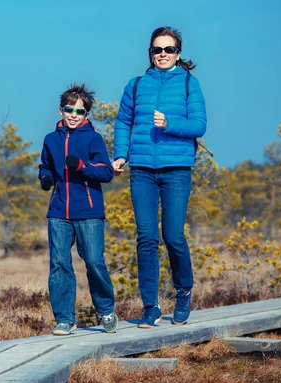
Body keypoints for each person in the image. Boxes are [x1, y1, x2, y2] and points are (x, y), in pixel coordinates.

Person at [112, 26, 207, 328]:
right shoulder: (136, 85)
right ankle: (150, 307)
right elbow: (122, 122)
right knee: (146, 238)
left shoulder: (190, 84)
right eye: (157, 50)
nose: (162, 54)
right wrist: (121, 154)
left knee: (173, 236)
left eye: (168, 50)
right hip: (141, 171)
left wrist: (170, 123)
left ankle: (183, 292)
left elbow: (199, 125)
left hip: (176, 170)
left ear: (178, 53)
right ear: (150, 53)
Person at [38, 83, 118, 336]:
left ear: (87, 115)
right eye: (68, 109)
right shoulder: (50, 140)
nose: (73, 115)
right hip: (59, 211)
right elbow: (45, 167)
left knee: (94, 261)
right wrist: (46, 178)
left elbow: (106, 172)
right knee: (59, 264)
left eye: (79, 111)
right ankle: (64, 319)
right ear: (60, 110)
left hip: (89, 211)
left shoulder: (93, 138)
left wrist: (81, 165)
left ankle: (106, 310)